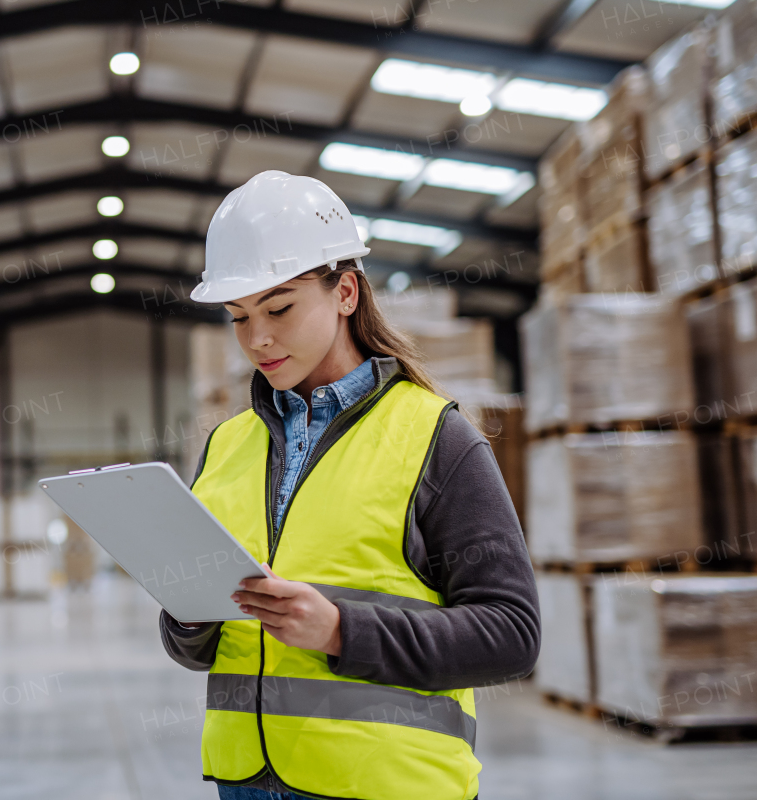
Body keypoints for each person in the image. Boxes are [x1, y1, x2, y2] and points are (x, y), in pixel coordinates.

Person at [161, 170, 539, 800]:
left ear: (345, 292)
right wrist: (188, 613)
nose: (258, 338)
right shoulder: (226, 447)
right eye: (237, 317)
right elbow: (194, 648)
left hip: (387, 786)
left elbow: (512, 635)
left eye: (279, 307)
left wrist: (341, 631)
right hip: (246, 783)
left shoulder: (434, 437)